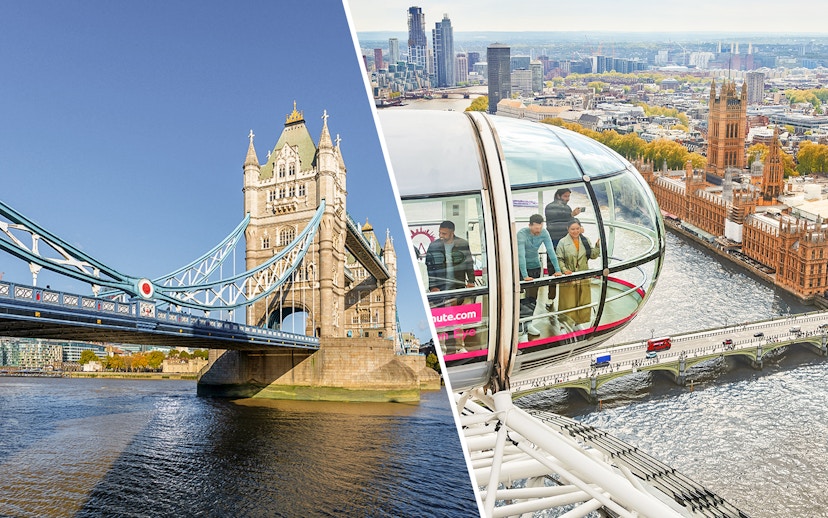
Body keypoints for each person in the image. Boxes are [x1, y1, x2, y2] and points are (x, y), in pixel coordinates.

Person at [518, 214, 568, 336]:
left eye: (540, 228)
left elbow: (551, 251)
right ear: (530, 225)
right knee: (516, 297)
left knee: (532, 297)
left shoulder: (544, 233)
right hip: (519, 267)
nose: (538, 231)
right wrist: (524, 275)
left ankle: (528, 323)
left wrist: (558, 270)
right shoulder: (521, 234)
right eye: (536, 228)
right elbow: (521, 256)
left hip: (535, 266)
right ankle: (518, 323)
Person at [556, 218, 601, 326]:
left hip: (583, 274)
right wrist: (564, 270)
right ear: (568, 229)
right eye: (572, 229)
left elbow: (593, 256)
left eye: (577, 228)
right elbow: (559, 259)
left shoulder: (585, 241)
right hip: (569, 275)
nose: (575, 231)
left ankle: (581, 320)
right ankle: (566, 322)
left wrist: (597, 246)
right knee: (569, 300)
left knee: (583, 299)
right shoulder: (562, 242)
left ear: (580, 228)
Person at [544, 188, 583, 299]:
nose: (568, 199)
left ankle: (566, 297)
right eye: (565, 196)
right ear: (558, 196)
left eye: (568, 197)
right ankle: (551, 297)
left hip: (564, 242)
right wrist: (571, 214)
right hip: (554, 242)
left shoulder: (567, 208)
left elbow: (568, 222)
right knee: (553, 269)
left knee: (567, 268)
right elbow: (556, 217)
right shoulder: (550, 207)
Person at [425, 220, 475, 294]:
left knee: (458, 304)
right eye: (440, 233)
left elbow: (469, 264)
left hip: (458, 285)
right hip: (439, 287)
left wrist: (471, 281)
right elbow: (429, 267)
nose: (441, 235)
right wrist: (432, 286)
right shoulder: (433, 246)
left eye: (444, 233)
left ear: (452, 233)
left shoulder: (462, 244)